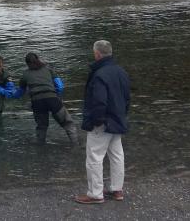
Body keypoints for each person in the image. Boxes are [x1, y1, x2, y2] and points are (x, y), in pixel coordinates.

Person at [75, 40, 131, 205]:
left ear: (97, 54)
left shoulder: (99, 74)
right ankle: (117, 189)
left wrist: (96, 121)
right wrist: (122, 115)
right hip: (118, 119)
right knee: (116, 155)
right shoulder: (121, 72)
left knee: (94, 157)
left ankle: (95, 194)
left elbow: (99, 101)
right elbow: (127, 98)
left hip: (103, 122)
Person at [19, 52, 77, 145]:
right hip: (52, 99)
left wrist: (8, 94)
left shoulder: (25, 74)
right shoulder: (48, 69)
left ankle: (41, 150)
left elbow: (20, 91)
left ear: (27, 64)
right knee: (68, 123)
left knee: (41, 127)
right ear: (38, 59)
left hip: (37, 102)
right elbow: (60, 86)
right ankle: (75, 145)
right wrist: (57, 97)